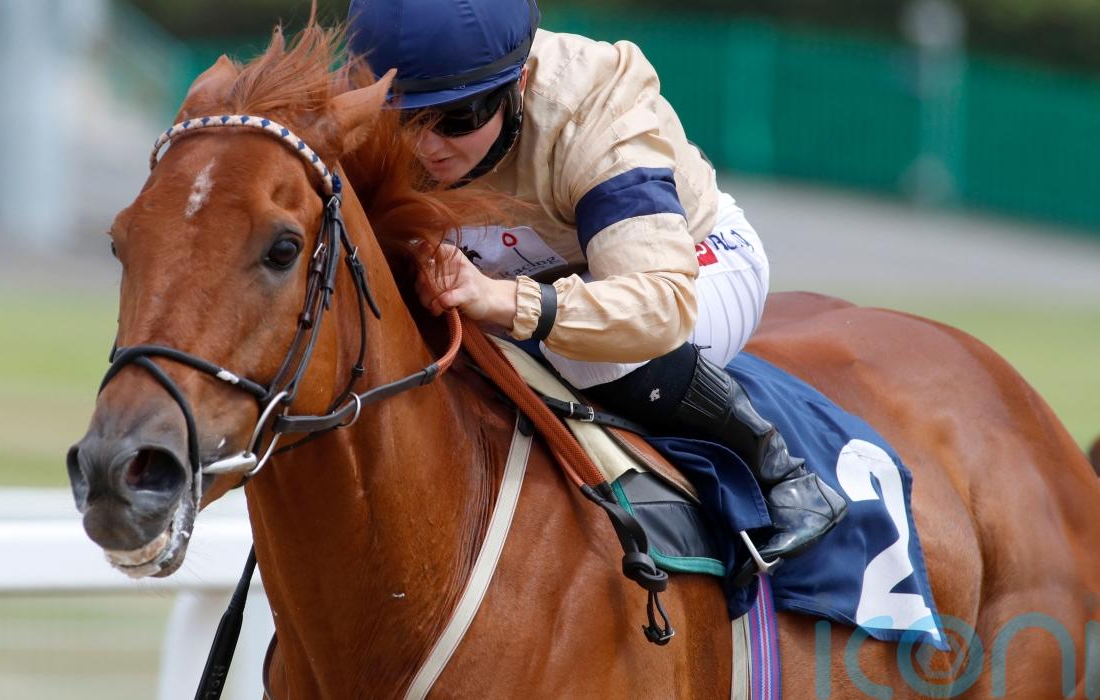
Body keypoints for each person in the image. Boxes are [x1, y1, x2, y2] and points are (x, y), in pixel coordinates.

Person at [347, 0, 846, 573]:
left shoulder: (591, 109)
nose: (426, 146)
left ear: (519, 82)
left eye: (458, 118)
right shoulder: (354, 110)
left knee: (580, 350)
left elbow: (660, 304)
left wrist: (503, 299)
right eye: (402, 119)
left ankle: (778, 470)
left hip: (694, 263)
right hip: (536, 270)